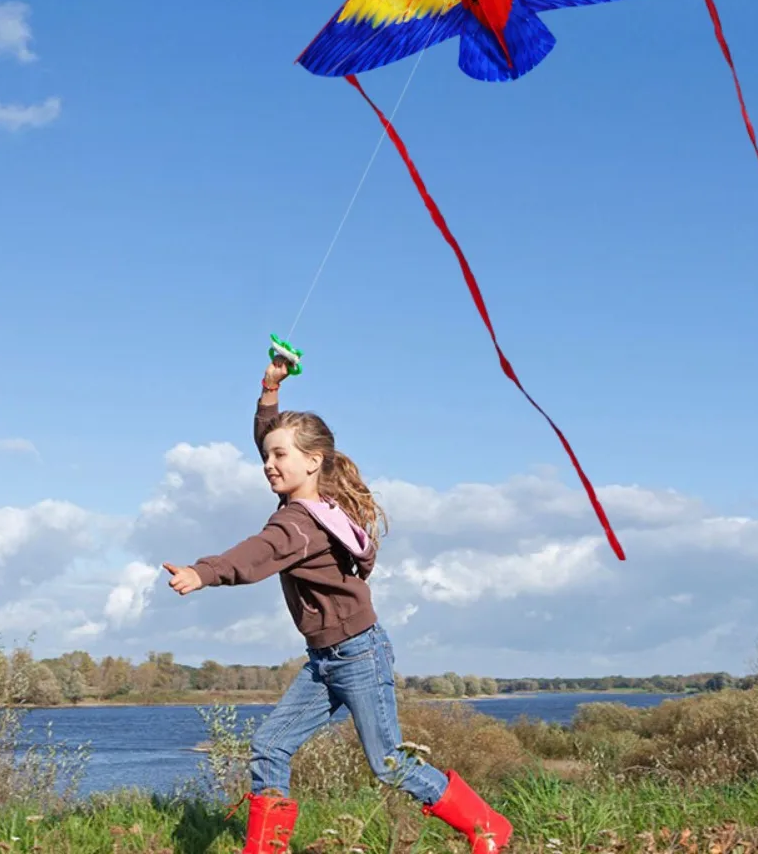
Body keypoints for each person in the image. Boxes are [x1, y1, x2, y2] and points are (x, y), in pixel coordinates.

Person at [163, 355, 512, 854]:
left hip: (357, 656)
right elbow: (271, 433)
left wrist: (204, 572)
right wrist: (270, 390)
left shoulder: (298, 525)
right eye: (266, 458)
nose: (269, 464)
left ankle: (488, 828)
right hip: (325, 659)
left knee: (389, 761)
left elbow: (255, 555)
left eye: (280, 457)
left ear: (313, 461)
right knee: (270, 746)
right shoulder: (316, 503)